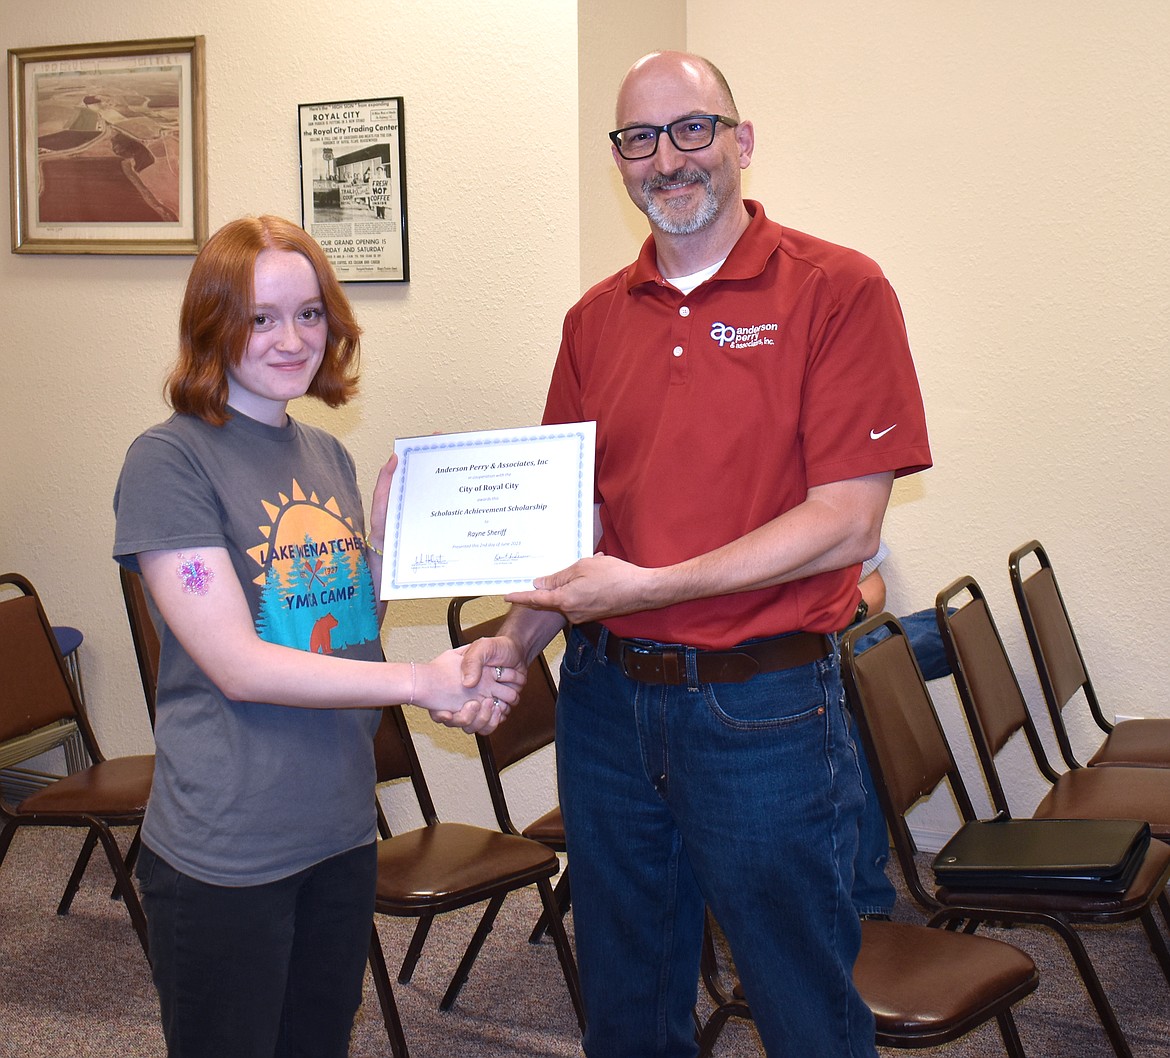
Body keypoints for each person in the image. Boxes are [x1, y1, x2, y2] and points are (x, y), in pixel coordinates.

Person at [463, 51, 931, 1057]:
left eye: (691, 130)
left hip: (760, 706)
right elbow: (571, 524)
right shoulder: (593, 319)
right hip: (605, 703)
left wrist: (655, 583)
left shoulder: (838, 289)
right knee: (627, 1001)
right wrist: (516, 637)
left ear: (740, 141)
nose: (666, 159)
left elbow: (848, 518)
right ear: (619, 161)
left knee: (801, 996)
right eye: (639, 138)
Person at [112, 215, 521, 1058]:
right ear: (213, 324)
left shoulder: (326, 455)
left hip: (335, 828)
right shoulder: (168, 462)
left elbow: (338, 639)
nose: (292, 338)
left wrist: (379, 549)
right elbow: (238, 663)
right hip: (228, 846)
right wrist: (422, 682)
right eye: (261, 317)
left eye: (309, 313)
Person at [849, 541, 953, 920]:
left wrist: (843, 610)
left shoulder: (836, 509)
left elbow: (874, 590)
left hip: (841, 633)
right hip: (780, 654)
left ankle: (853, 665)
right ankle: (865, 901)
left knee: (953, 625)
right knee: (853, 699)